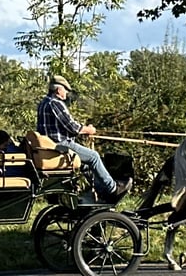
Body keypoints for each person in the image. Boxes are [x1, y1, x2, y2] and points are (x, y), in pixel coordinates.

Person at [36, 75, 132, 203]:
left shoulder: (43, 103)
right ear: (59, 90)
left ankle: (99, 191)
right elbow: (73, 127)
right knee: (94, 157)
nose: (67, 93)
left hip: (50, 145)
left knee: (86, 164)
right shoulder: (56, 103)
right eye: (66, 90)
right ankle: (113, 188)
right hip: (60, 145)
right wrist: (89, 130)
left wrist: (84, 129)